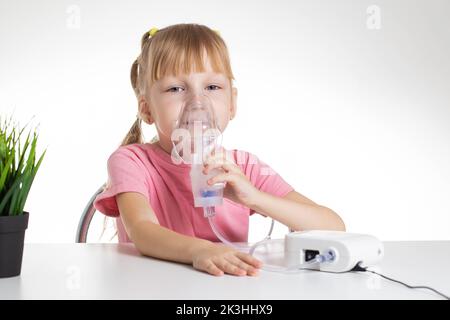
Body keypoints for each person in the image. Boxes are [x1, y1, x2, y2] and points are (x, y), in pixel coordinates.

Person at [94, 23, 345, 277]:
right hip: (151, 287)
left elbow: (333, 227)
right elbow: (142, 230)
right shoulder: (131, 162)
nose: (197, 102)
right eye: (176, 89)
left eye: (212, 87)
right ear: (147, 109)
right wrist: (200, 251)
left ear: (232, 103)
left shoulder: (244, 167)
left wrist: (253, 197)